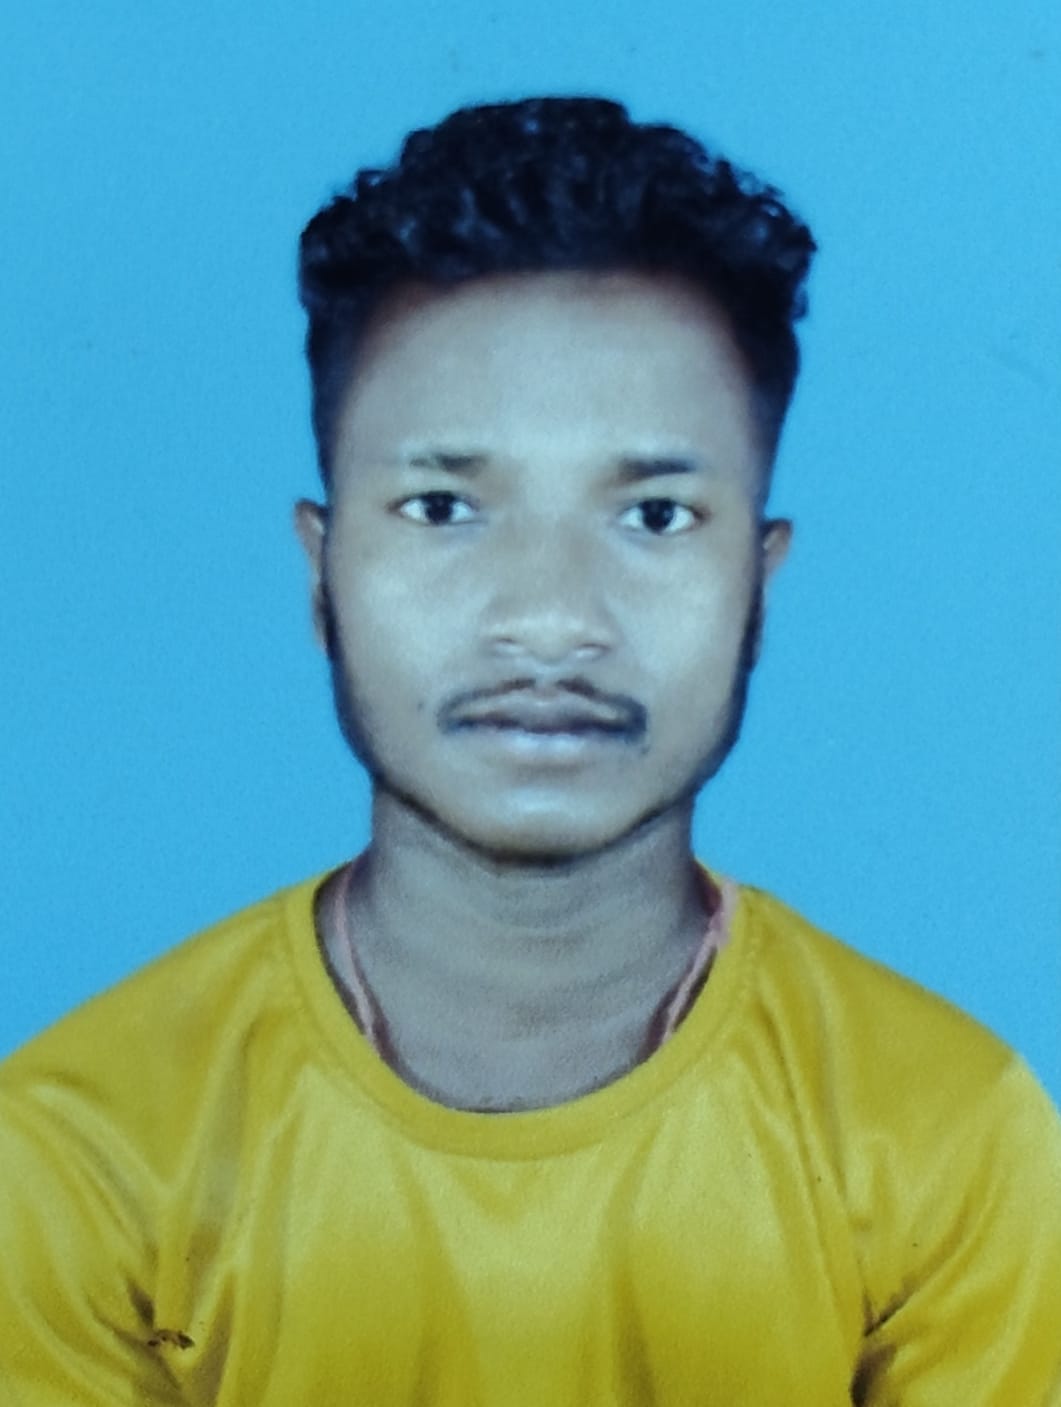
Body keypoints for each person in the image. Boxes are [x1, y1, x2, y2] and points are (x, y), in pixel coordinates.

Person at [1, 95, 1058, 1405]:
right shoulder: (84, 1148)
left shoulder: (947, 1136)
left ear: (759, 581)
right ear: (323, 572)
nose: (551, 619)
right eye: (443, 507)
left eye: (655, 516)